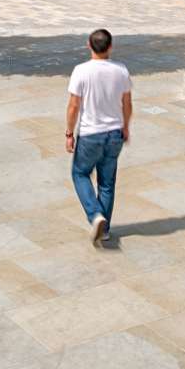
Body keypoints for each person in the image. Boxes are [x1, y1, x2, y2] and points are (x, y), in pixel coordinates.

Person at [65, 27, 132, 245]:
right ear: (110, 46)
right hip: (114, 133)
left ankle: (95, 215)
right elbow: (127, 103)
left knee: (80, 174)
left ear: (88, 45)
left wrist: (69, 133)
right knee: (107, 183)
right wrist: (126, 127)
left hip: (90, 134)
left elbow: (74, 106)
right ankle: (104, 229)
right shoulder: (121, 70)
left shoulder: (81, 71)